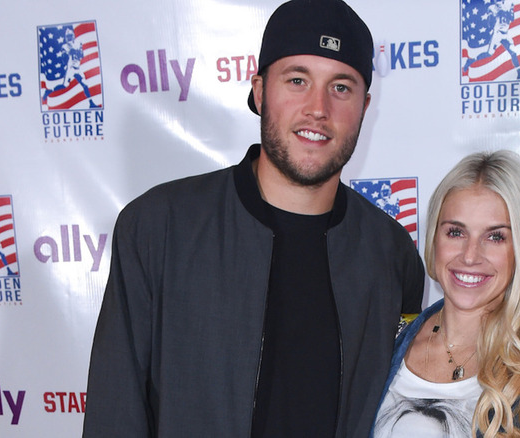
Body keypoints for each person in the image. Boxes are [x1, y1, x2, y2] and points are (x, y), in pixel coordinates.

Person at [82, 1, 425, 437]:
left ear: (365, 105)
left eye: (341, 87)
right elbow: (115, 418)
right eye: (297, 80)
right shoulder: (159, 228)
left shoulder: (391, 253)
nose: (318, 108)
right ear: (260, 91)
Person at [373, 151, 520, 437]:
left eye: (495, 236)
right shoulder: (383, 345)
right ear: (434, 238)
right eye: (455, 232)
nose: (470, 255)